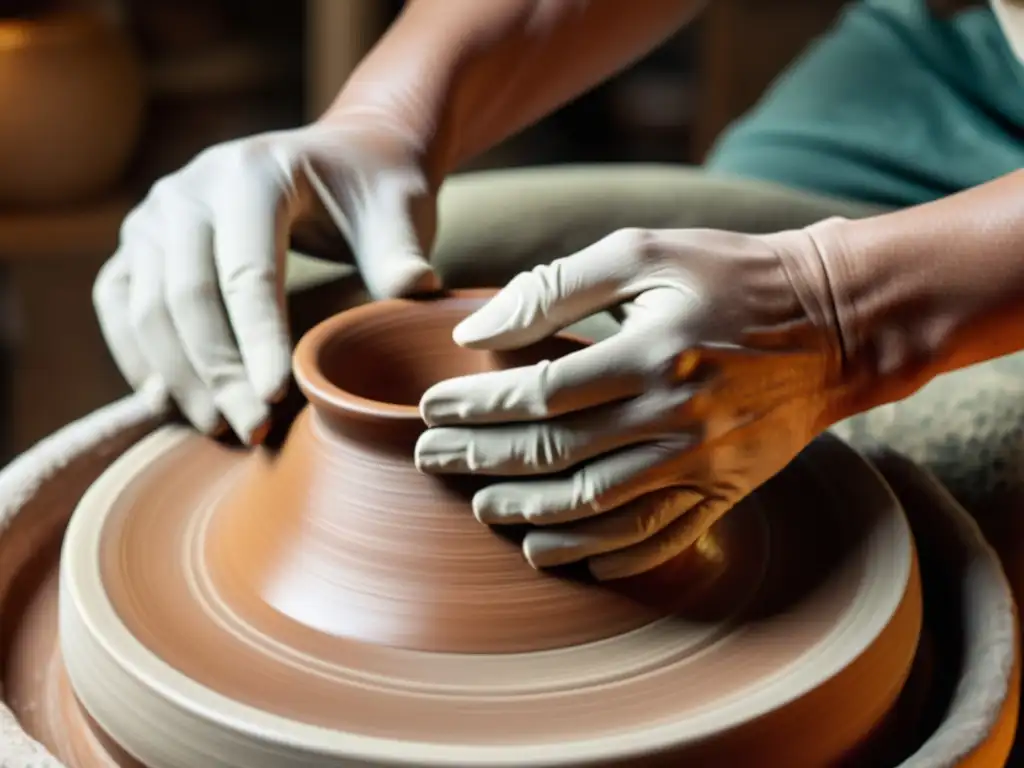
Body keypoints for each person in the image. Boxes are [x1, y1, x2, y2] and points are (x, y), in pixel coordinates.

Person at [91, 0, 1024, 581]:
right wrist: (388, 114)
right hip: (969, 52)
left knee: (966, 510)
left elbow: (836, 307)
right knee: (297, 281)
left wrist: (843, 312)